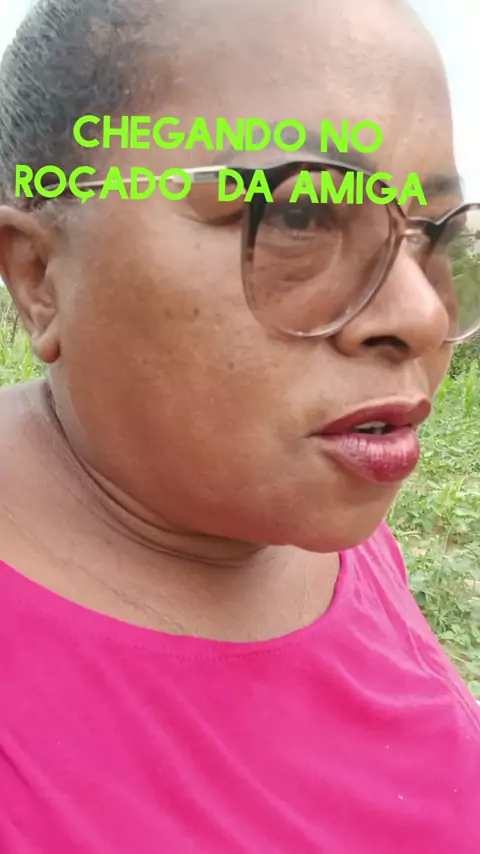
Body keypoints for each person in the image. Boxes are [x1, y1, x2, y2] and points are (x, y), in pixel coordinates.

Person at [0, 0, 479, 851]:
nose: (421, 315)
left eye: (431, 236)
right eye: (298, 216)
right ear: (40, 275)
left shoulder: (295, 498)